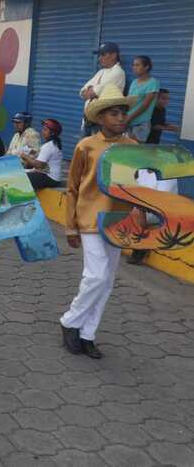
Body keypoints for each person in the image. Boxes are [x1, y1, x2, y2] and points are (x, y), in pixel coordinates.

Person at [60, 83, 141, 359]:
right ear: (100, 117)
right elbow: (71, 187)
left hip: (119, 221)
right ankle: (70, 321)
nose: (120, 118)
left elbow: (138, 187)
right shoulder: (86, 146)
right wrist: (69, 225)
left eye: (123, 113)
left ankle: (87, 333)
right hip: (90, 219)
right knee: (95, 275)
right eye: (114, 113)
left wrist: (139, 216)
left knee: (106, 281)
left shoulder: (133, 147)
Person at [80, 42, 126, 136]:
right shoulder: (101, 72)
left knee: (97, 149)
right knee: (84, 148)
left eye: (103, 55)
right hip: (89, 120)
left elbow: (92, 93)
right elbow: (82, 92)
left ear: (113, 55)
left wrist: (91, 90)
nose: (99, 58)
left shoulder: (117, 72)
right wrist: (90, 90)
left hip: (101, 122)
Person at [124, 55, 160, 143]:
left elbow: (145, 105)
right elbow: (129, 100)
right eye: (133, 65)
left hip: (140, 124)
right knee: (126, 149)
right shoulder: (134, 82)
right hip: (128, 121)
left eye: (137, 65)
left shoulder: (153, 83)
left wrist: (129, 117)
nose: (134, 68)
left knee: (136, 151)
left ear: (146, 67)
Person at [22, 118, 63, 190]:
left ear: (52, 133)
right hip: (52, 177)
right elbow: (41, 159)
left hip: (50, 178)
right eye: (43, 129)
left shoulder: (49, 146)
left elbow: (38, 165)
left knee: (22, 178)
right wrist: (31, 154)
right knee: (23, 172)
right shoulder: (54, 144)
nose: (42, 132)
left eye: (45, 130)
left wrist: (25, 157)